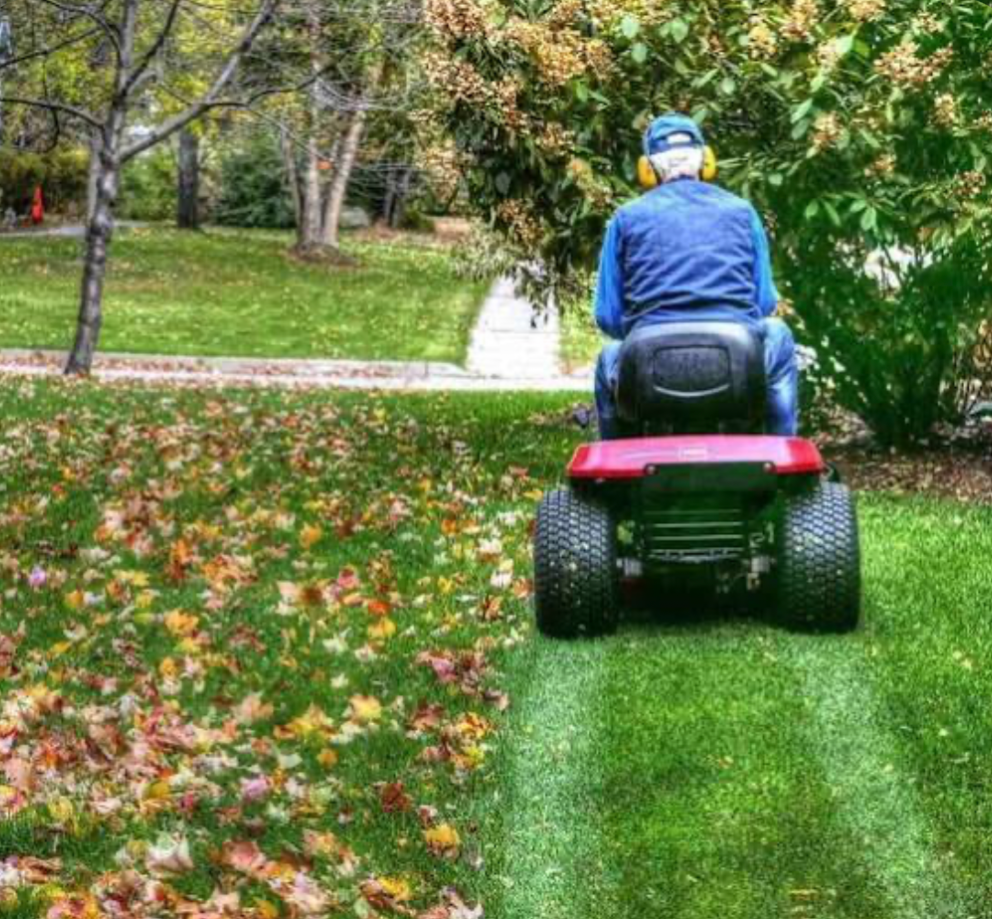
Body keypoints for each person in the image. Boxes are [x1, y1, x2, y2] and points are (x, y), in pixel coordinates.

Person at [593, 112, 799, 439]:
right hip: (736, 360)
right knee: (778, 334)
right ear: (706, 161)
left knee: (609, 356)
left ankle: (614, 471)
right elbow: (764, 303)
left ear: (648, 168)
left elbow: (608, 317)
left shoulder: (625, 218)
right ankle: (782, 451)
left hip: (649, 366)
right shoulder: (742, 212)